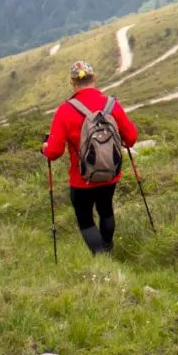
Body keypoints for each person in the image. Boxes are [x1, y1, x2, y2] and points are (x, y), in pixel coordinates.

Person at [42, 60, 137, 254]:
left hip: (81, 179)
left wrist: (44, 147)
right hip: (110, 174)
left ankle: (102, 258)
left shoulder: (65, 110)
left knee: (85, 219)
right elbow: (131, 139)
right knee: (106, 210)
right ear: (95, 79)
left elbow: (54, 152)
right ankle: (108, 248)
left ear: (72, 83)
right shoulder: (112, 105)